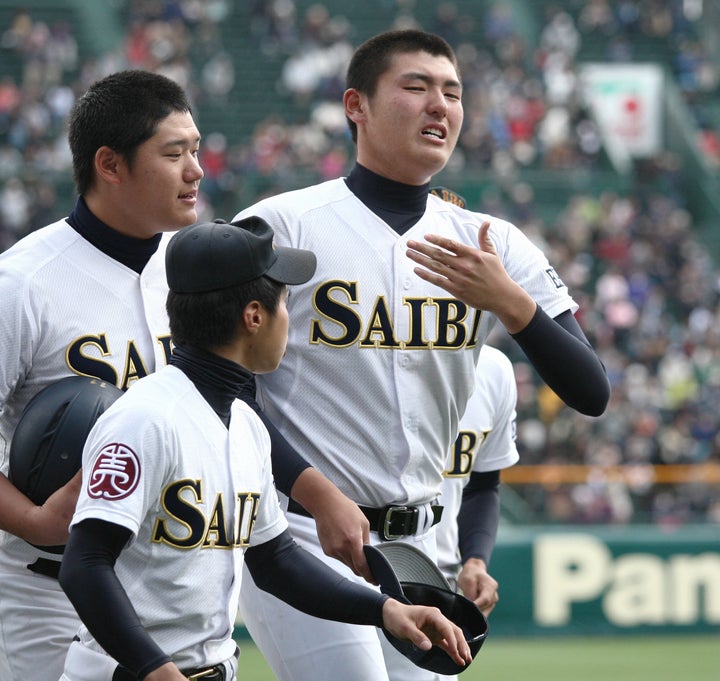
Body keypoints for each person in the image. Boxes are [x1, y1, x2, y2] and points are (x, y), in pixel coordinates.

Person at [232, 28, 610, 681]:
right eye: (416, 87)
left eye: (453, 92)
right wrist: (314, 490)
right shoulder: (279, 226)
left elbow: (591, 390)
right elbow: (216, 383)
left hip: (425, 544)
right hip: (300, 528)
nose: (440, 105)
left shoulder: (494, 243)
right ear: (357, 106)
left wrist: (510, 302)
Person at [0, 69, 368, 681]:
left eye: (195, 149)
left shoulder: (192, 269)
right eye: (174, 154)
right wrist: (35, 521)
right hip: (48, 591)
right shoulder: (21, 284)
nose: (196, 169)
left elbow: (230, 408)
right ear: (110, 165)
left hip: (171, 590)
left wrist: (315, 490)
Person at [58, 217, 472, 681]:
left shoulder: (246, 425)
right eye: (284, 303)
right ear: (253, 316)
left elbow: (277, 562)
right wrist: (155, 669)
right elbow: (84, 564)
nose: (287, 319)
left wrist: (386, 610)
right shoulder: (145, 418)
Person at [435, 344, 519, 616]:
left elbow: (480, 486)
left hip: (436, 577)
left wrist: (475, 560)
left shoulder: (493, 368)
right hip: (344, 564)